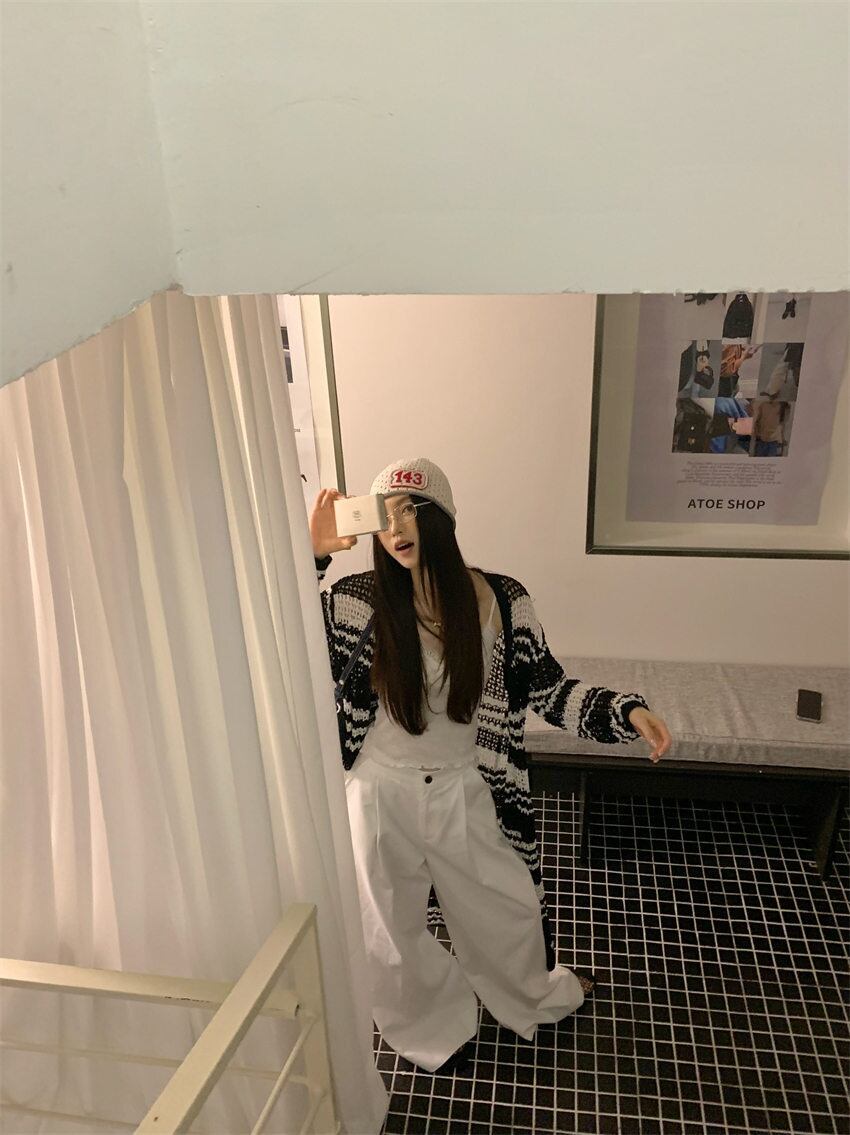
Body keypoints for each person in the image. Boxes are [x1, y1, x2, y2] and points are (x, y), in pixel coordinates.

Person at [311, 457, 672, 1074]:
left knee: (505, 907)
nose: (396, 529)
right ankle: (432, 1031)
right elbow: (279, 635)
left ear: (442, 518)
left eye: (410, 511)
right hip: (378, 789)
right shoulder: (356, 600)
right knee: (388, 930)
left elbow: (547, 686)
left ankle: (532, 997)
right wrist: (312, 557)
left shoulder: (503, 598)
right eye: (382, 517)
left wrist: (624, 711)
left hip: (466, 781)